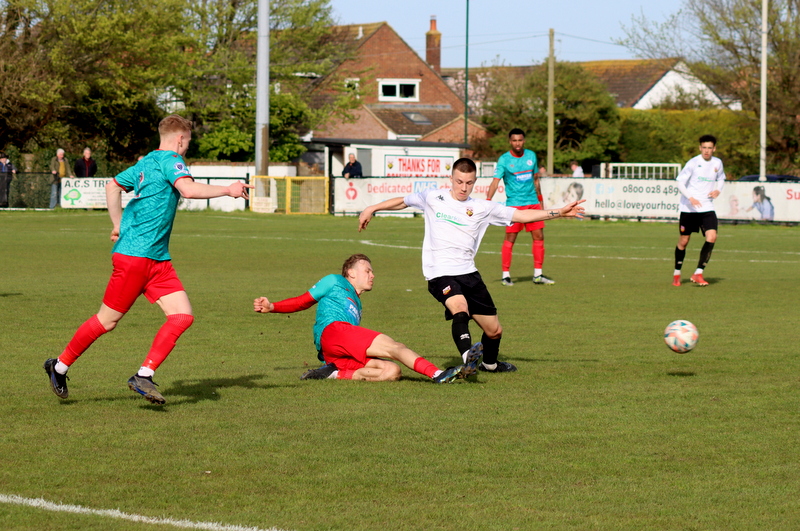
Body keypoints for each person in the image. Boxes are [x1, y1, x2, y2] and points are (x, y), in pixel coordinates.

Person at [43, 114, 254, 405]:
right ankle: (59, 366)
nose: (186, 148)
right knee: (106, 321)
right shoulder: (172, 160)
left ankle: (144, 374)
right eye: (188, 142)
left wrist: (118, 225)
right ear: (180, 139)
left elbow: (112, 187)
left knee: (182, 316)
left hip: (157, 260)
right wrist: (228, 189)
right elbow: (189, 190)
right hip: (135, 258)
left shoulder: (145, 163)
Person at [358, 158, 585, 373]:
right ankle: (468, 358)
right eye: (459, 182)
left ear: (474, 182)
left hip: (469, 274)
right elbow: (402, 201)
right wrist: (371, 208)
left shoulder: (482, 207)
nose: (463, 187)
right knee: (460, 308)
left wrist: (559, 212)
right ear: (451, 179)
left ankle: (490, 365)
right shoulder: (433, 197)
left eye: (468, 183)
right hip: (440, 274)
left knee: (494, 331)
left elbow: (521, 216)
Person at [253, 254, 483, 383]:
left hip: (336, 352)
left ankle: (333, 373)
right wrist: (273, 306)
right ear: (351, 273)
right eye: (367, 270)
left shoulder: (357, 301)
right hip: (334, 332)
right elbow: (304, 300)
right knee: (395, 346)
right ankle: (438, 374)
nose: (372, 275)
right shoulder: (335, 281)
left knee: (391, 372)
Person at [486, 128, 553, 286]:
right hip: (514, 206)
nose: (517, 143)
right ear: (510, 141)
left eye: (520, 140)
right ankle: (506, 275)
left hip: (533, 203)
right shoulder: (503, 160)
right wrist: (488, 200)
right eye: (514, 140)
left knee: (539, 238)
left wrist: (541, 201)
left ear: (524, 141)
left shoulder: (531, 156)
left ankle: (538, 274)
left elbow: (536, 180)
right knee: (510, 239)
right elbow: (495, 182)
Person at [672, 134, 726, 287]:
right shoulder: (693, 163)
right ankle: (677, 273)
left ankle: (698, 272)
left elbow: (721, 178)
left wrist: (718, 190)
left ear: (714, 148)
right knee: (684, 241)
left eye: (710, 148)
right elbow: (680, 182)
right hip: (689, 209)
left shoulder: (718, 163)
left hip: (707, 208)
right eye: (704, 148)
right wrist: (690, 198)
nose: (707, 151)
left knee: (712, 236)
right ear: (700, 148)